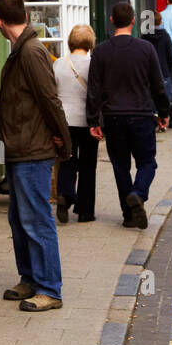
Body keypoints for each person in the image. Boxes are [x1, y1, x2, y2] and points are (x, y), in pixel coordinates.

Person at [0, 0, 72, 312]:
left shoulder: (31, 51)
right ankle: (29, 279)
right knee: (18, 219)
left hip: (33, 149)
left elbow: (49, 99)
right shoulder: (22, 49)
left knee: (37, 219)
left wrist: (64, 142)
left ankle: (50, 289)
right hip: (18, 148)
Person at [87, 1, 170, 230]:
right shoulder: (145, 49)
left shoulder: (101, 51)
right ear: (134, 21)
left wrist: (93, 120)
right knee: (147, 163)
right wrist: (164, 112)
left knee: (120, 166)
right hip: (142, 115)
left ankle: (128, 214)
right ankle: (138, 193)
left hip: (113, 117)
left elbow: (94, 90)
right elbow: (157, 85)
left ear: (112, 20)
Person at [52, 25, 100, 224]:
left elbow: (52, 93)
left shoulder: (58, 64)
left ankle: (65, 194)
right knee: (88, 165)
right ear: (90, 42)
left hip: (64, 121)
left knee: (67, 159)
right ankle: (85, 211)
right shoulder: (93, 64)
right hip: (87, 121)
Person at [142, 10, 172, 128]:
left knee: (150, 97)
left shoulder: (144, 37)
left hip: (148, 71)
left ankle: (153, 121)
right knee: (166, 96)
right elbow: (170, 55)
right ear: (160, 21)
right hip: (163, 69)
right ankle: (169, 121)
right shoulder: (165, 36)